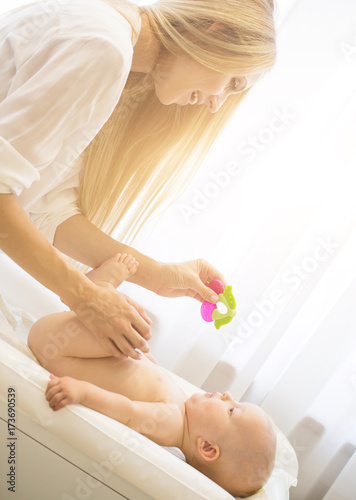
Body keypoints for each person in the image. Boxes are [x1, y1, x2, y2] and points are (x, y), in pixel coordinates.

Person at [0, 0, 276, 360]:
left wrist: (159, 275)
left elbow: (49, 209)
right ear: (216, 31)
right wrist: (84, 298)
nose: (215, 105)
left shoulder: (112, 46)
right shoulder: (103, 48)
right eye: (233, 82)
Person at [28, 253, 277, 498]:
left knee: (125, 335)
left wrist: (82, 392)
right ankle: (95, 290)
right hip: (69, 343)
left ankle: (100, 287)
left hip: (59, 349)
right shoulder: (182, 406)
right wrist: (146, 356)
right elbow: (154, 372)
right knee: (128, 338)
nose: (228, 395)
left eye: (232, 410)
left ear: (207, 448)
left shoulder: (171, 422)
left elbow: (125, 411)